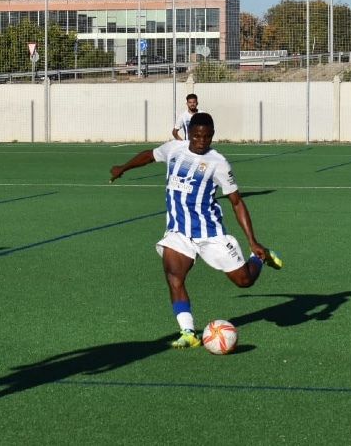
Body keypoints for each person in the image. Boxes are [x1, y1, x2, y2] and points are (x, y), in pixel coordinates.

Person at [109, 112, 283, 349]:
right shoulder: (174, 148)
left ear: (212, 136)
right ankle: (188, 332)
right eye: (197, 135)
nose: (202, 141)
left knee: (244, 281)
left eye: (207, 136)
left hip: (210, 234)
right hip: (178, 233)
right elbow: (149, 156)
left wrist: (252, 241)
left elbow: (236, 201)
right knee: (174, 277)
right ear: (189, 133)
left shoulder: (218, 163)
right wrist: (124, 167)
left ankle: (260, 258)